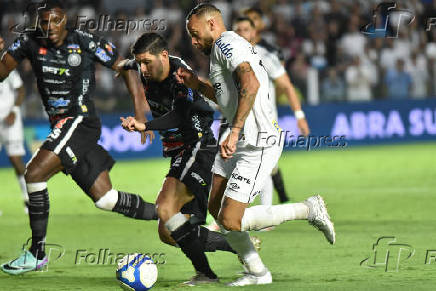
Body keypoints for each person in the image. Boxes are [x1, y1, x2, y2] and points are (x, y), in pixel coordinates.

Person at [176, 4, 335, 286]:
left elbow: (250, 83)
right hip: (237, 138)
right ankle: (258, 272)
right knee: (215, 207)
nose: (193, 41)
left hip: (257, 140)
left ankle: (308, 209)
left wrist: (235, 130)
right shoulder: (219, 50)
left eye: (195, 33)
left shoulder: (227, 44)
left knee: (230, 220)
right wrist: (197, 84)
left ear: (212, 24)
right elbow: (229, 97)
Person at [0, 0, 158, 275]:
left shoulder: (84, 41)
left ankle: (36, 253)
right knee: (105, 198)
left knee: (34, 174)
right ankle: (172, 215)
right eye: (44, 22)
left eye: (56, 21)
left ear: (66, 21)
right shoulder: (28, 42)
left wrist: (139, 111)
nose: (49, 27)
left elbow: (125, 67)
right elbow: (3, 71)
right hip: (63, 128)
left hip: (80, 121)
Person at [119, 32, 241, 285]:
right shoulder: (143, 69)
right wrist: (137, 110)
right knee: (168, 232)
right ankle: (239, 246)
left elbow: (180, 116)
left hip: (197, 147)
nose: (142, 68)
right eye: (139, 63)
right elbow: (125, 68)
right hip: (179, 152)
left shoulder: (180, 75)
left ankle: (206, 274)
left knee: (165, 208)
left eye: (146, 62)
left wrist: (146, 126)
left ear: (164, 55)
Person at [233, 16, 310, 213]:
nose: (241, 33)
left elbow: (286, 86)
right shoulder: (226, 58)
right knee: (237, 165)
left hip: (264, 122)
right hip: (238, 122)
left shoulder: (266, 57)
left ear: (253, 34)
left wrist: (299, 115)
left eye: (245, 29)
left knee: (262, 165)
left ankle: (265, 214)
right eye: (238, 29)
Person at [0, 65, 29, 213]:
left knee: (16, 160)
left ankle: (29, 199)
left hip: (10, 120)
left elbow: (21, 90)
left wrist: (14, 110)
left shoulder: (7, 68)